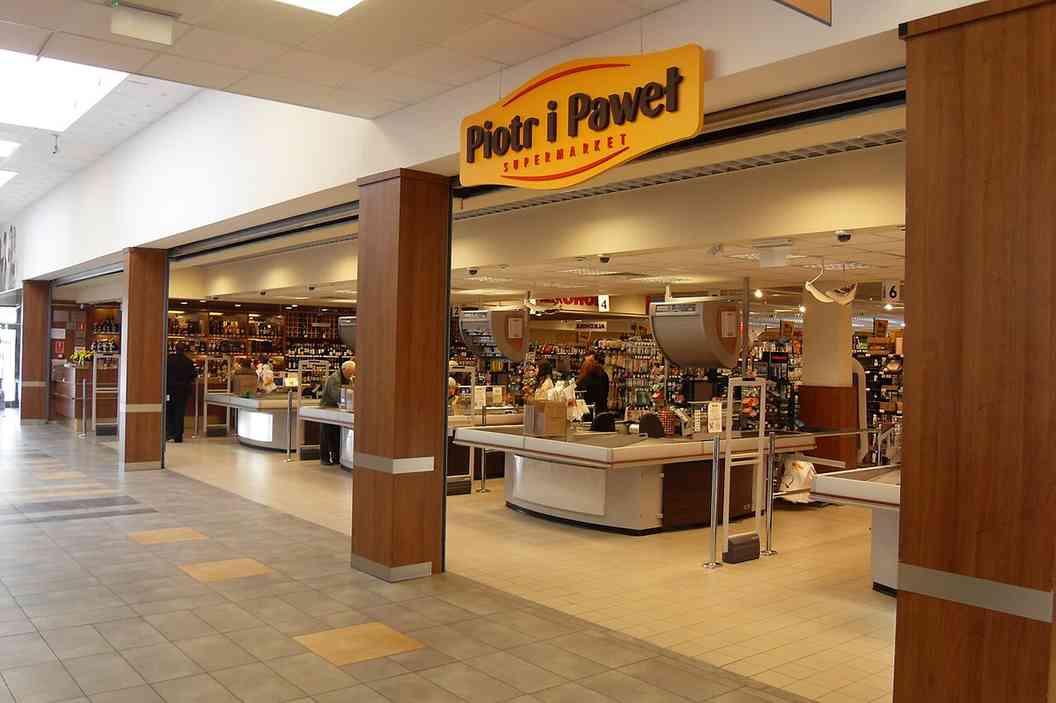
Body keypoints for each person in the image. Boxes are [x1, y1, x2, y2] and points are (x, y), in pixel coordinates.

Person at [319, 360, 356, 466]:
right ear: (343, 369)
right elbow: (337, 395)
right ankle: (324, 458)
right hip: (327, 408)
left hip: (337, 410)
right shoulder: (334, 379)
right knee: (326, 434)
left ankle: (337, 458)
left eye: (352, 373)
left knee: (337, 435)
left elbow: (350, 391)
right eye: (349, 373)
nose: (350, 375)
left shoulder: (348, 379)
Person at [166, 344, 198, 443]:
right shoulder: (189, 362)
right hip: (183, 391)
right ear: (184, 350)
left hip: (169, 390)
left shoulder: (168, 359)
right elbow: (193, 376)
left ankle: (169, 434)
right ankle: (178, 436)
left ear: (175, 349)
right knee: (179, 413)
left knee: (169, 411)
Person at [576, 352, 609, 420]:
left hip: (589, 411)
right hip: (601, 410)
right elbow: (605, 392)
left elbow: (579, 389)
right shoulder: (603, 374)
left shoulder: (585, 378)